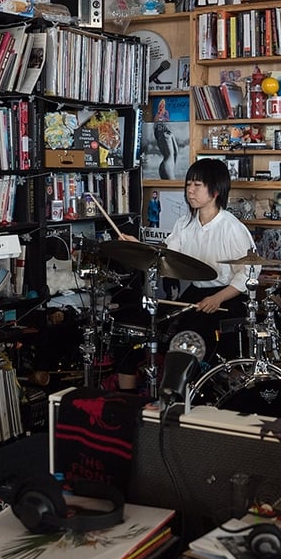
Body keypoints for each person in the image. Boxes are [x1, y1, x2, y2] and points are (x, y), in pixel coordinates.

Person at [116, 158, 255, 391]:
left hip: (227, 299)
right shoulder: (185, 222)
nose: (190, 190)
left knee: (189, 338)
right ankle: (126, 402)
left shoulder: (233, 228)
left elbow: (247, 276)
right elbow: (166, 255)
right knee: (141, 332)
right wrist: (137, 246)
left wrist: (217, 299)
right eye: (189, 184)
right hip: (195, 293)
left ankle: (181, 396)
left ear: (216, 190)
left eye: (197, 185)